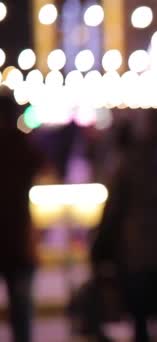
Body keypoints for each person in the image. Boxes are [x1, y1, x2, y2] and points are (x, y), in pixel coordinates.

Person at [91, 108, 157, 342]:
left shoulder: (127, 163)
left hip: (135, 250)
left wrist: (99, 249)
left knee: (140, 318)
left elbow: (113, 210)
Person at [0, 92, 47, 342]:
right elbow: (47, 168)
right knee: (21, 317)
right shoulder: (22, 146)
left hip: (13, 241)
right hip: (19, 242)